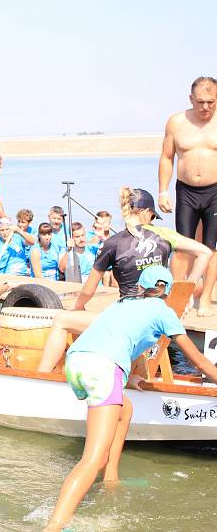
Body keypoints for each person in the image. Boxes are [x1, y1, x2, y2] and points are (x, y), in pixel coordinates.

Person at [37, 266, 217, 531]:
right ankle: (54, 526)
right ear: (166, 291)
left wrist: (127, 377)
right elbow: (199, 361)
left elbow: (118, 338)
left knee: (125, 408)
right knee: (92, 459)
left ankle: (111, 479)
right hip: (102, 369)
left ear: (140, 287)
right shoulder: (163, 311)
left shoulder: (122, 304)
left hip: (77, 361)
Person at [74, 187, 212, 310]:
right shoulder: (165, 235)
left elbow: (88, 291)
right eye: (153, 216)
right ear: (146, 212)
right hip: (160, 309)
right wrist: (186, 292)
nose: (152, 220)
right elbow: (205, 252)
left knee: (66, 319)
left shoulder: (112, 243)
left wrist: (78, 307)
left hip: (129, 309)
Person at [158, 76, 217, 316]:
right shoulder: (176, 122)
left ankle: (205, 298)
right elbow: (166, 157)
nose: (205, 107)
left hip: (215, 191)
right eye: (200, 102)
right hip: (186, 190)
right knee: (181, 247)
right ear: (191, 99)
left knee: (211, 248)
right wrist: (163, 190)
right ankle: (178, 298)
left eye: (211, 102)